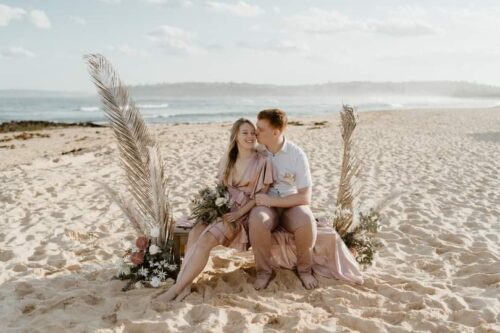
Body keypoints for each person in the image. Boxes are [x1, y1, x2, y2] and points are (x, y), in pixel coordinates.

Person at [155, 118, 274, 302]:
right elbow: (221, 189)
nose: (250, 136)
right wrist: (214, 206)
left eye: (253, 133)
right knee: (196, 232)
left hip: (242, 214)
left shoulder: (262, 161)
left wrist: (238, 213)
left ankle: (175, 289)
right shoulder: (228, 159)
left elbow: (259, 196)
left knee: (205, 241)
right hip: (223, 207)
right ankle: (184, 285)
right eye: (245, 133)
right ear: (235, 136)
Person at [250, 109, 319, 290]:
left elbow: (305, 196)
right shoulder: (257, 151)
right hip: (265, 205)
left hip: (290, 202)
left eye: (260, 129)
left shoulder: (297, 154)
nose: (256, 132)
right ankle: (264, 272)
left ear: (276, 132)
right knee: (257, 219)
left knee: (306, 220)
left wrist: (271, 202)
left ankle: (304, 270)